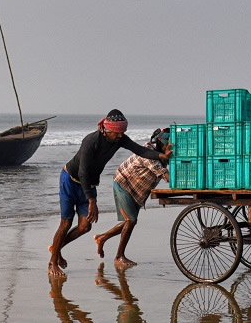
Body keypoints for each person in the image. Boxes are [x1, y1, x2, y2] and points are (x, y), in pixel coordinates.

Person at [48, 110, 169, 276]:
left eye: (122, 133)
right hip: (70, 180)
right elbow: (83, 172)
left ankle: (56, 249)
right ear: (107, 130)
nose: (120, 136)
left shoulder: (119, 139)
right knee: (66, 223)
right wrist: (92, 201)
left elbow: (141, 150)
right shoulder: (91, 141)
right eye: (117, 133)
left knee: (85, 226)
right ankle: (52, 263)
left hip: (88, 184)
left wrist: (162, 154)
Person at [93, 127, 170, 268]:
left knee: (127, 222)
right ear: (160, 141)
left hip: (137, 190)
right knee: (131, 220)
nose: (169, 148)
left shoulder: (162, 154)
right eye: (168, 145)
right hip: (123, 183)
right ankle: (119, 257)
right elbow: (164, 174)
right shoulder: (148, 152)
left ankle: (101, 238)